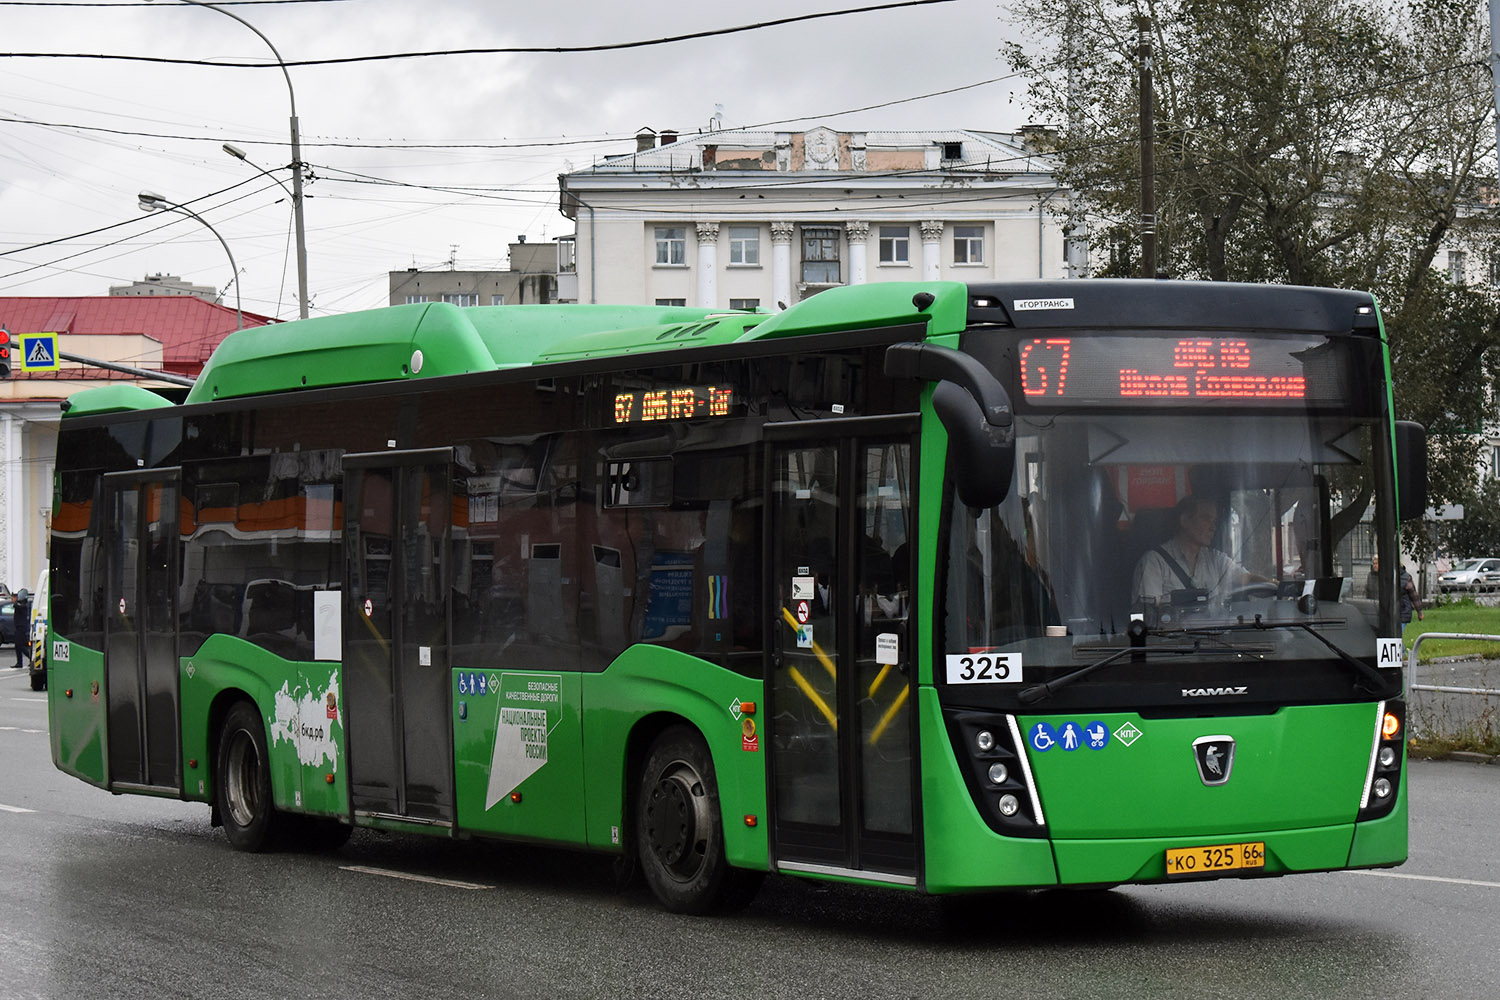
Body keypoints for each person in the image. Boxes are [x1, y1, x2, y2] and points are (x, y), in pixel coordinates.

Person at [1133, 495, 1268, 604]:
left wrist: (1276, 585)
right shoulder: (1154, 563)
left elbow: (1246, 579)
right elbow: (1149, 616)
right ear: (1185, 520)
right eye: (1206, 518)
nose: (1212, 527)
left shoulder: (1215, 560)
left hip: (1216, 637)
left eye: (1214, 522)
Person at [1399, 564, 1423, 632]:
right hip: (1400, 610)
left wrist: (1419, 612)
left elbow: (1414, 595)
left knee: (1397, 636)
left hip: (1403, 611)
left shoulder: (1406, 578)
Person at [11, 589, 30, 669]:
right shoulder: (21, 604)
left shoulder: (23, 605)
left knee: (20, 645)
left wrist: (16, 601)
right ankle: (19, 662)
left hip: (21, 628)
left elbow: (16, 605)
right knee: (18, 645)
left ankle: (32, 658)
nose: (12, 599)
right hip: (18, 627)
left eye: (13, 597)